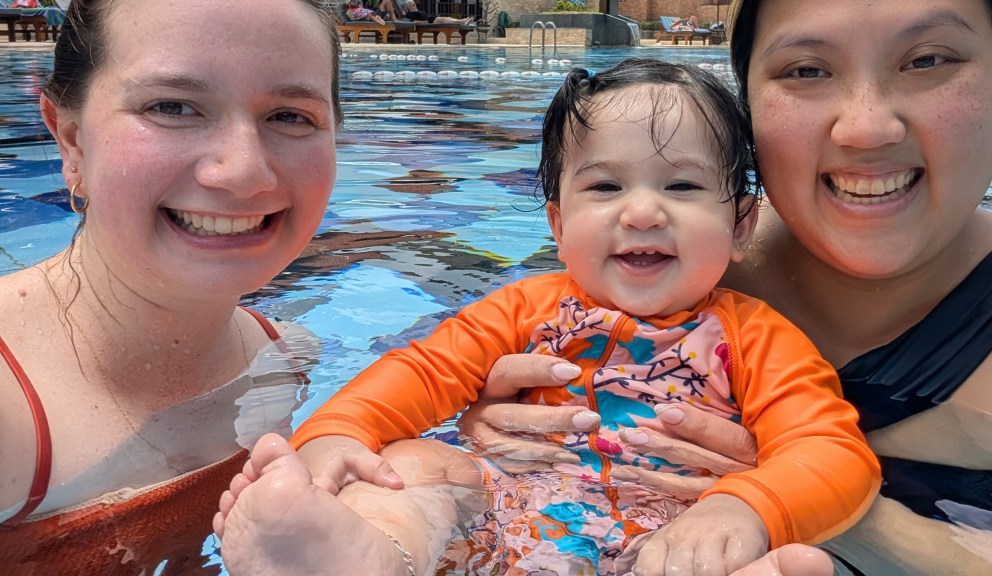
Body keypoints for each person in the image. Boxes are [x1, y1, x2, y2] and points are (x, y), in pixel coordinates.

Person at [454, 0, 992, 575]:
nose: (867, 127)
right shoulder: (654, 266)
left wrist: (802, 501)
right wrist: (496, 433)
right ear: (746, 104)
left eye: (928, 60)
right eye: (806, 70)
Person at [216, 59, 879, 575]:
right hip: (508, 511)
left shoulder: (756, 337)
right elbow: (418, 374)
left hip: (674, 539)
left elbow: (831, 452)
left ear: (740, 225)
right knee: (413, 463)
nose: (642, 212)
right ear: (559, 226)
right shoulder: (523, 309)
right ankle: (374, 554)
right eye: (605, 186)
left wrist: (744, 508)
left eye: (682, 185)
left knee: (761, 558)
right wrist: (334, 438)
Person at [0, 0, 341, 572]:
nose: (243, 172)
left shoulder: (285, 363)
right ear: (70, 139)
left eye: (289, 116)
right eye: (172, 107)